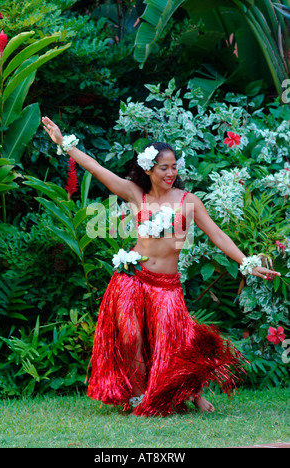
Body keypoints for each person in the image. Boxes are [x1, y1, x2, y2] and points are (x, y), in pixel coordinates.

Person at [42, 117, 281, 416]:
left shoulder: (188, 201)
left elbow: (217, 234)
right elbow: (99, 170)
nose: (171, 173)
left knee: (177, 342)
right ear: (148, 169)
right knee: (130, 337)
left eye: (174, 167)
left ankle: (192, 394)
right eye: (163, 167)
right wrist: (65, 144)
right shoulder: (135, 194)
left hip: (167, 287)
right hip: (133, 279)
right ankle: (139, 396)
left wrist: (246, 262)